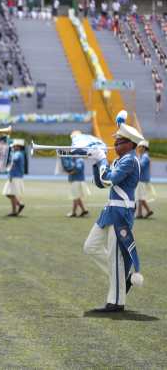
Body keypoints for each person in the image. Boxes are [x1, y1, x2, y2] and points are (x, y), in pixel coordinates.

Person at [85, 114, 145, 312]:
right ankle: (122, 276)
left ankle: (116, 302)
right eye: (116, 141)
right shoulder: (121, 160)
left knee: (115, 258)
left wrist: (102, 159)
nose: (115, 144)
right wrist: (96, 162)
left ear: (130, 144)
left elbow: (111, 180)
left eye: (119, 142)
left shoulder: (129, 161)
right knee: (90, 246)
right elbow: (101, 182)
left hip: (121, 212)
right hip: (110, 210)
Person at [2, 139, 26, 216]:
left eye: (15, 146)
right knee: (10, 194)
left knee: (9, 193)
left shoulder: (17, 154)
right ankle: (17, 208)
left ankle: (16, 208)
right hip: (17, 176)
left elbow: (13, 163)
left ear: (18, 146)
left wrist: (10, 174)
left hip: (14, 176)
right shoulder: (20, 153)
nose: (13, 147)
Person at [136, 140, 156, 219]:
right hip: (142, 180)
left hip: (142, 180)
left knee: (140, 197)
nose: (138, 148)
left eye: (140, 147)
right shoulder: (143, 156)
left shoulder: (145, 157)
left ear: (144, 148)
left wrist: (135, 160)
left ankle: (139, 213)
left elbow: (140, 165)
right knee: (140, 197)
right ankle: (148, 211)